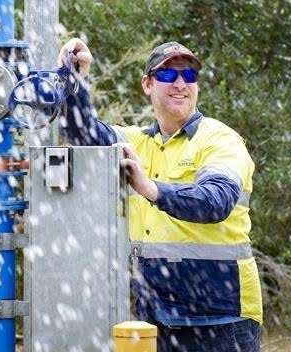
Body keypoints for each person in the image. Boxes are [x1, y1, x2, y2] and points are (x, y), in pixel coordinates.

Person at [57, 38, 262, 352]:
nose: (180, 83)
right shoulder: (137, 141)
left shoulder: (220, 139)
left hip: (221, 319)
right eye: (168, 75)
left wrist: (150, 188)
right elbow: (84, 133)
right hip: (157, 319)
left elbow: (216, 201)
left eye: (189, 75)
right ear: (147, 84)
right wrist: (76, 78)